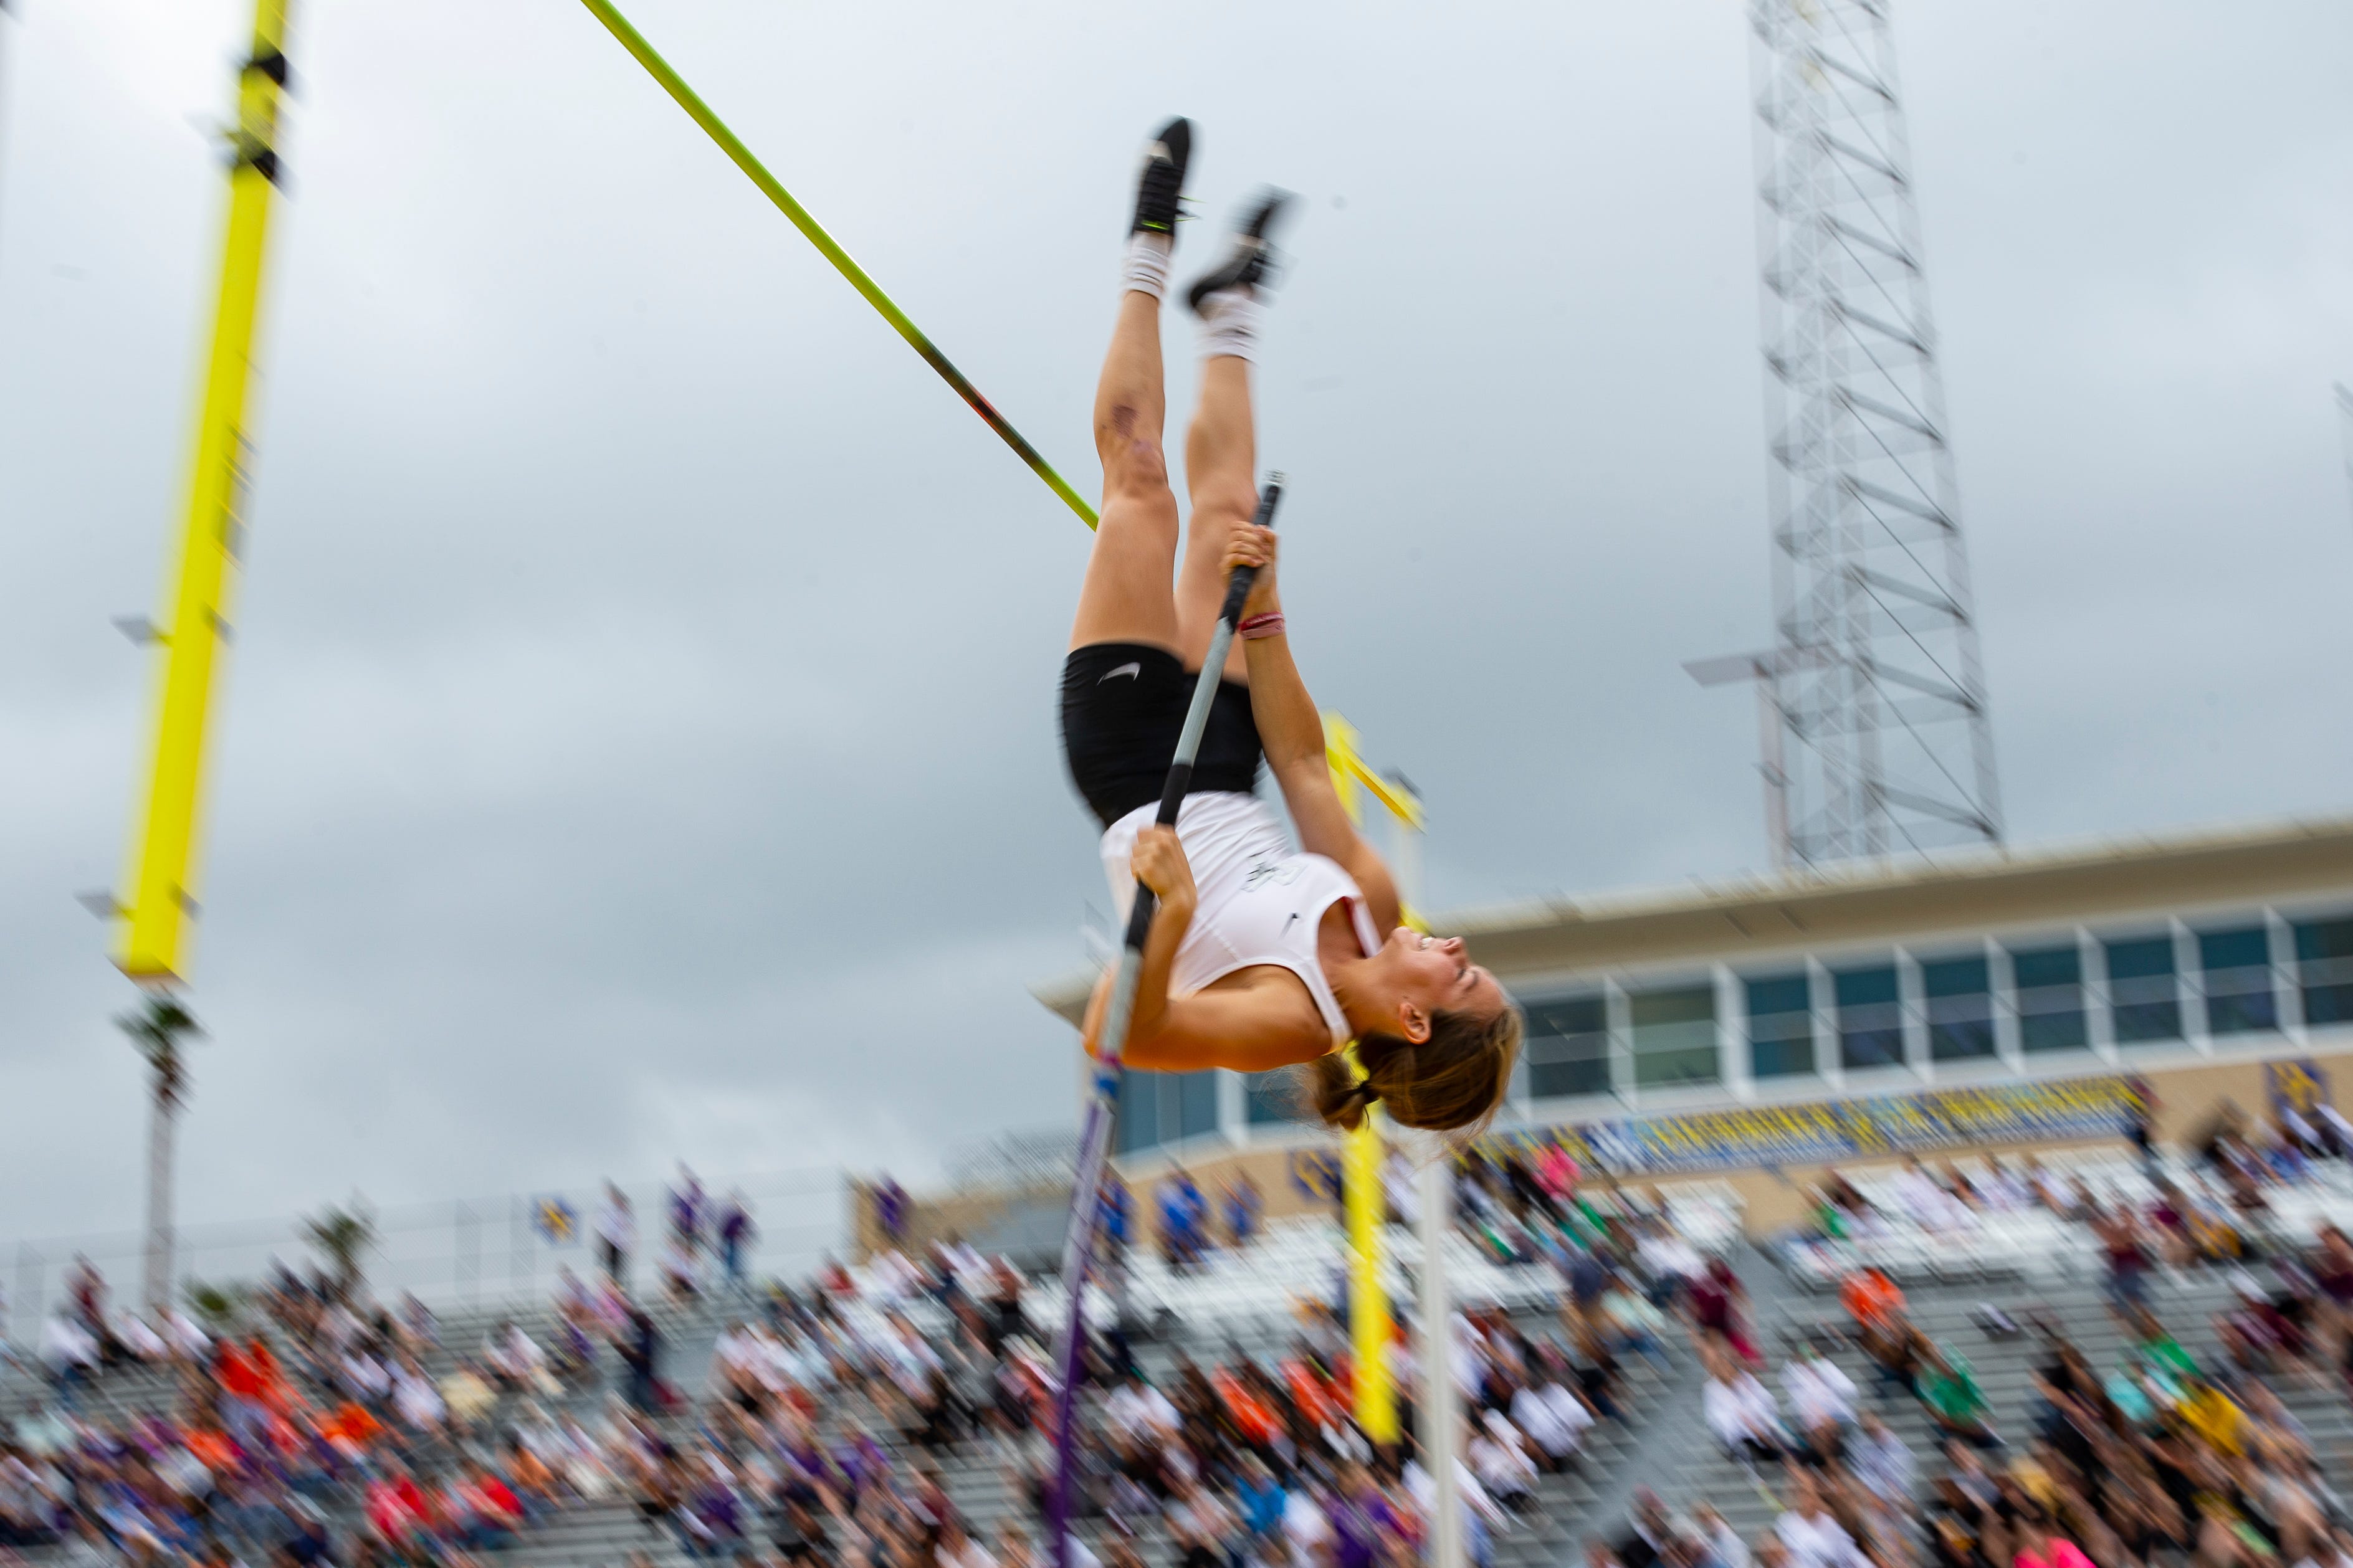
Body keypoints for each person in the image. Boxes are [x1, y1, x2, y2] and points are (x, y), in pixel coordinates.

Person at [1062, 118, 1521, 1131]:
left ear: (1411, 1019)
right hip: (1227, 760)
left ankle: (1147, 246)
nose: (1453, 948)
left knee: (1141, 487)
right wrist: (1263, 616)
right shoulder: (1373, 908)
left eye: (1461, 975)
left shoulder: (1290, 1018)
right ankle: (1231, 309)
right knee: (1228, 515)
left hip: (1139, 774)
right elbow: (1306, 765)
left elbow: (1119, 1029)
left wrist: (1172, 918)